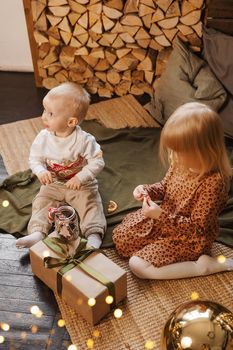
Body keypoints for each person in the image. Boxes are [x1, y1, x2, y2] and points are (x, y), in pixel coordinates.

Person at [113, 102, 233, 279]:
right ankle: (153, 245)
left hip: (188, 238)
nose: (172, 156)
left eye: (179, 151)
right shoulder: (180, 162)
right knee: (122, 238)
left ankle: (202, 266)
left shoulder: (214, 183)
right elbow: (164, 187)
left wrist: (159, 215)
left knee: (138, 265)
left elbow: (197, 228)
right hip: (166, 218)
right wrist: (147, 190)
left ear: (201, 151)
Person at [16, 82, 106, 249]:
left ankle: (93, 233)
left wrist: (81, 177)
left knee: (91, 202)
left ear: (71, 121)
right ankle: (37, 232)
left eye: (50, 114)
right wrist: (41, 171)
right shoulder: (43, 138)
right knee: (41, 201)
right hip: (54, 183)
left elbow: (98, 161)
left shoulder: (84, 141)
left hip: (81, 185)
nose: (43, 117)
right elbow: (34, 159)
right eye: (44, 110)